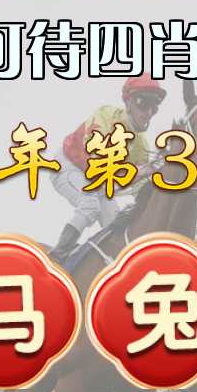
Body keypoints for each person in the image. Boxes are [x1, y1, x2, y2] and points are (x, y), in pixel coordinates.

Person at [48, 74, 166, 262]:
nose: (149, 112)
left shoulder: (141, 144)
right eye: (143, 103)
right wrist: (139, 171)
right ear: (128, 102)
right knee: (90, 205)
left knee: (115, 225)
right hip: (68, 166)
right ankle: (56, 256)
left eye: (154, 107)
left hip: (96, 183)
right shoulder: (105, 115)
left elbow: (138, 190)